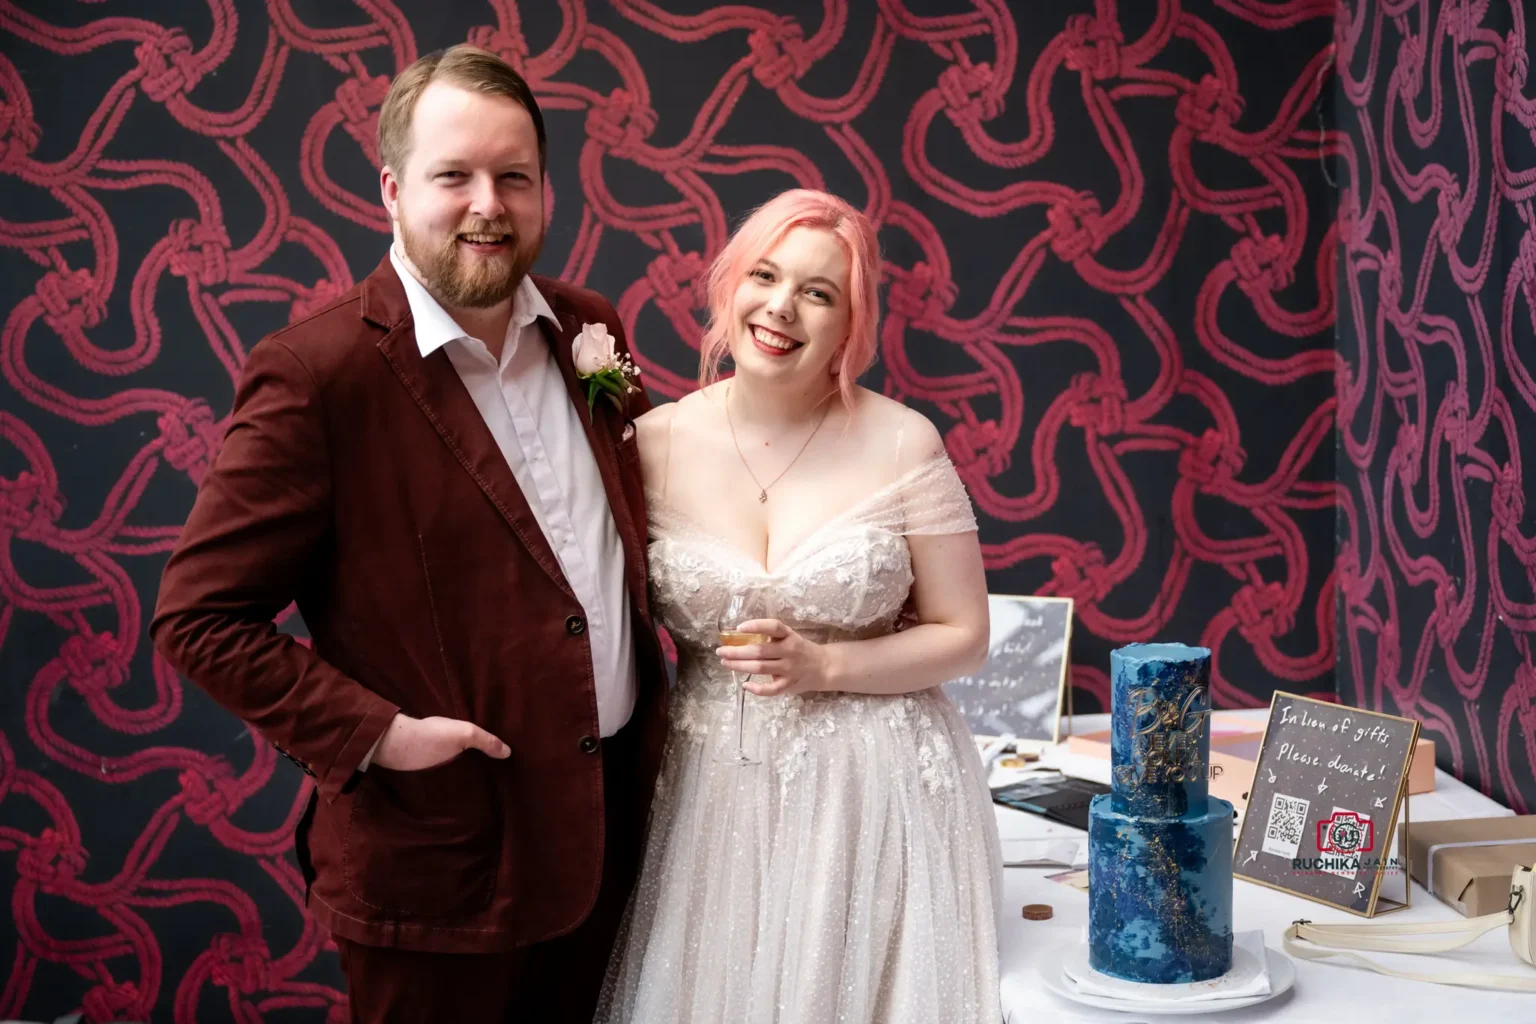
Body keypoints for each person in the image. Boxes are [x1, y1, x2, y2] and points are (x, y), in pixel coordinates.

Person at [150, 45, 668, 1024]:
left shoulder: (588, 330)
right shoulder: (318, 372)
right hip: (442, 874)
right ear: (391, 188)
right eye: (454, 176)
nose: (489, 204)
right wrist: (380, 735)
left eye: (515, 176)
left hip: (612, 846)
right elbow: (200, 617)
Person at [595, 189, 1003, 1022]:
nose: (781, 307)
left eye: (819, 293)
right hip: (713, 789)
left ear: (850, 323)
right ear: (730, 287)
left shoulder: (903, 441)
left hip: (875, 788)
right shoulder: (652, 443)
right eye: (765, 276)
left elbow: (966, 636)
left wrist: (828, 664)